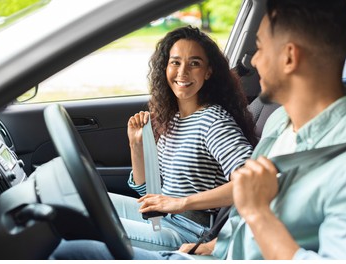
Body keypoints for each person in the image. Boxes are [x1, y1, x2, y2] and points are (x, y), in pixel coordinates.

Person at [50, 0, 346, 260]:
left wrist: (253, 214)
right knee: (66, 225)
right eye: (174, 62)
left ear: (289, 57)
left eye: (259, 47)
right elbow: (234, 222)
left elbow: (249, 204)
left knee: (67, 247)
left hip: (198, 240)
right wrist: (211, 247)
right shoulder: (281, 125)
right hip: (206, 251)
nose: (253, 61)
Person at [107, 25, 257, 251]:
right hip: (163, 218)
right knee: (81, 205)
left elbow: (251, 183)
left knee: (88, 225)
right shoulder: (173, 119)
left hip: (191, 232)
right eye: (175, 62)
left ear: (208, 72)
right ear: (165, 67)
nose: (182, 72)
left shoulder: (213, 121)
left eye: (194, 63)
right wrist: (136, 144)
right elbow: (148, 193)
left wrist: (180, 203)